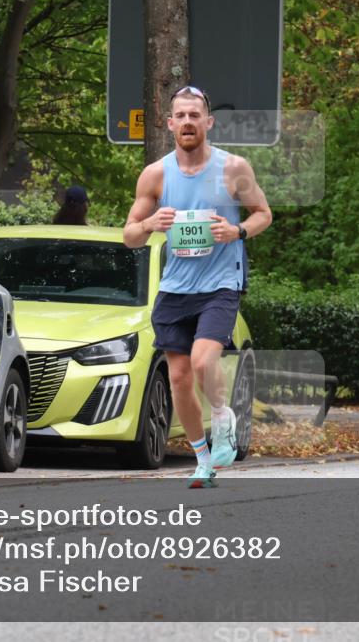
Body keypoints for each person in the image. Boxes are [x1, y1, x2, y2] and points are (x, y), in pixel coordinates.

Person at [124, 85, 272, 488]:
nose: (188, 122)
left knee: (204, 360)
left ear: (209, 122)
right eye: (181, 116)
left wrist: (237, 231)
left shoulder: (233, 168)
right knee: (178, 378)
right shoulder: (155, 175)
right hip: (175, 287)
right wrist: (149, 224)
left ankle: (223, 417)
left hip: (221, 283)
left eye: (195, 115)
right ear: (169, 123)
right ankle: (203, 459)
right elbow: (129, 236)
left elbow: (263, 214)